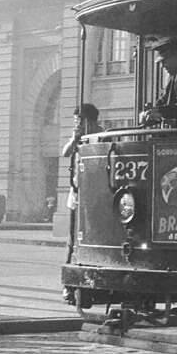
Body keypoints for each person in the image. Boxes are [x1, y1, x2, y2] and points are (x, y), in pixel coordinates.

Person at [61, 104, 102, 305]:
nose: (77, 124)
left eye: (80, 120)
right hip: (77, 195)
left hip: (97, 197)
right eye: (75, 120)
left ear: (90, 121)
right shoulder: (77, 139)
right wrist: (74, 139)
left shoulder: (102, 137)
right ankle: (69, 287)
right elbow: (65, 153)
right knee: (72, 242)